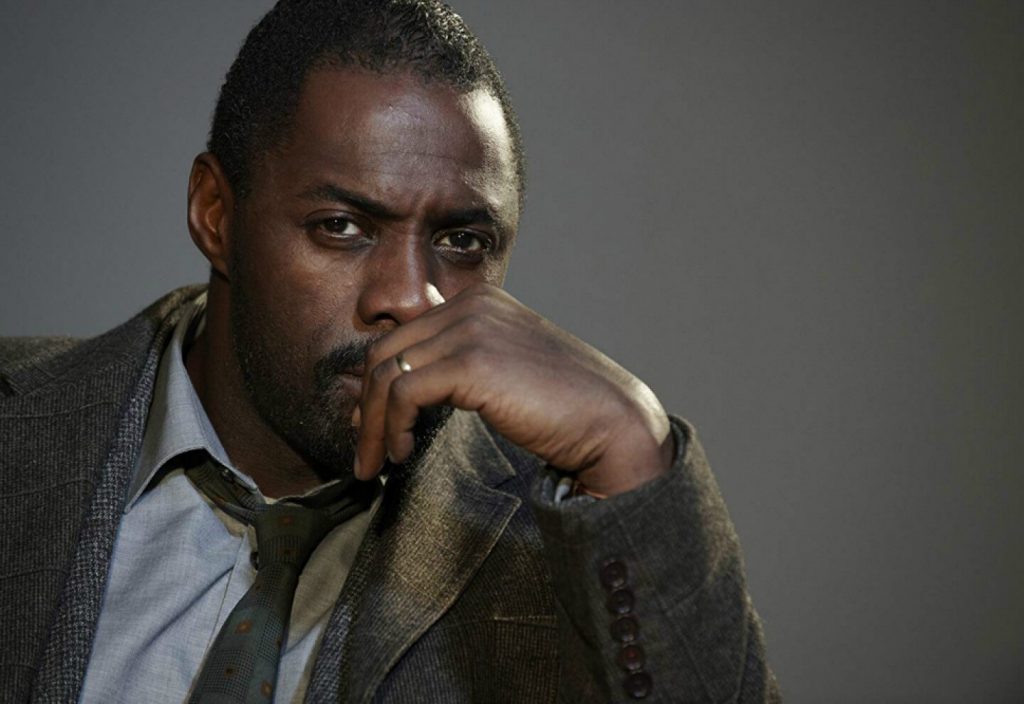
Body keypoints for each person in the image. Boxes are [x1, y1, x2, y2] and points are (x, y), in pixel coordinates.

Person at [0, 1, 778, 702]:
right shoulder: (22, 429)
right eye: (343, 227)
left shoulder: (584, 541)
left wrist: (632, 445)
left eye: (462, 241)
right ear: (216, 214)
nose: (409, 298)